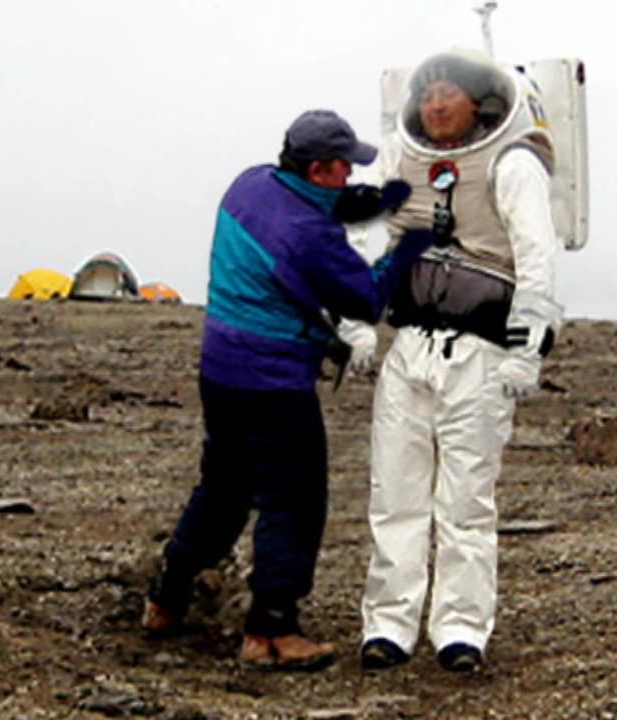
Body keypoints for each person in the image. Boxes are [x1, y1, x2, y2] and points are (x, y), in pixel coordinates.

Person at [142, 109, 435, 671]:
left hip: (221, 370)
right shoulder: (307, 236)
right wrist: (411, 244)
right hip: (272, 381)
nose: (350, 175)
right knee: (294, 501)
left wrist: (376, 199)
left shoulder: (250, 185)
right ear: (320, 167)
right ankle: (271, 632)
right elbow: (365, 297)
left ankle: (167, 596)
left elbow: (318, 208)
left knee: (223, 490)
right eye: (344, 166)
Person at [343, 49, 564, 673]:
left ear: (479, 102)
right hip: (410, 345)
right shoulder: (402, 157)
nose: (437, 104)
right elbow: (367, 234)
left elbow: (536, 255)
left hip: (480, 354)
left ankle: (461, 629)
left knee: (466, 499)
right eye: (429, 93)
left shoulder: (513, 163)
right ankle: (388, 623)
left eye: (450, 93)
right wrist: (357, 324)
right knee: (396, 492)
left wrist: (527, 348)